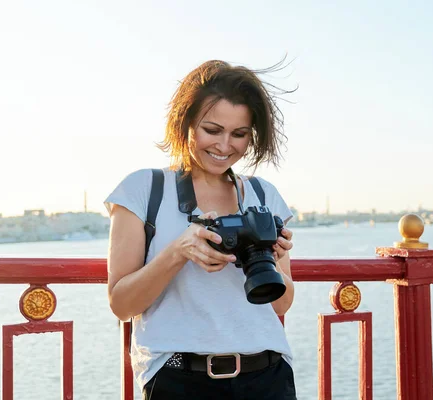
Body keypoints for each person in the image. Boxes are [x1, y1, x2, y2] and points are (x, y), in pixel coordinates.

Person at [104, 59, 297, 400]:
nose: (225, 146)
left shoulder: (263, 195)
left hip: (267, 374)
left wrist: (272, 257)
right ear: (186, 123)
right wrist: (179, 252)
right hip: (179, 378)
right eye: (212, 130)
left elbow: (280, 306)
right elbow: (121, 304)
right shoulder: (144, 190)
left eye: (239, 134)